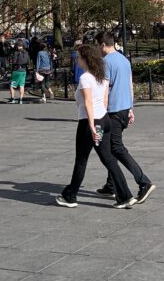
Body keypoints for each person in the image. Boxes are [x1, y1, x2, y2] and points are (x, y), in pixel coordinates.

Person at [55, 44, 136, 209]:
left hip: (90, 123)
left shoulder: (85, 78)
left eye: (78, 57)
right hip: (104, 119)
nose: (76, 60)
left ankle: (70, 195)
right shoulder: (101, 76)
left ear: (85, 59)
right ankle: (125, 195)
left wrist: (92, 125)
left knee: (81, 159)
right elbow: (104, 100)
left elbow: (88, 102)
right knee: (108, 159)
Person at [93, 31, 154, 204]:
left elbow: (104, 89)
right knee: (112, 147)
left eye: (97, 45)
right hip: (124, 109)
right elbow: (129, 85)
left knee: (115, 147)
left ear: (103, 45)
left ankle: (143, 181)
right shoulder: (124, 60)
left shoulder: (105, 62)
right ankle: (111, 184)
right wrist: (131, 108)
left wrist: (99, 111)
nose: (97, 49)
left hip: (112, 110)